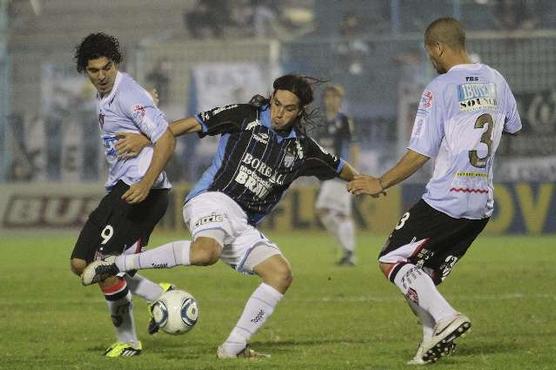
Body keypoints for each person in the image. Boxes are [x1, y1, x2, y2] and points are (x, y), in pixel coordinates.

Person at [81, 74, 359, 358]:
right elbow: (191, 123)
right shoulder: (244, 115)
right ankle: (118, 263)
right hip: (212, 199)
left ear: (299, 111)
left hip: (241, 223)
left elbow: (338, 165)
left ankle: (233, 347)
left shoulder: (302, 148)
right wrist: (145, 137)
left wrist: (363, 180)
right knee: (205, 253)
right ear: (272, 97)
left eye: (289, 108)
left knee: (280, 274)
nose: (279, 112)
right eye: (276, 103)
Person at [347, 17, 521, 365]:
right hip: (480, 204)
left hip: (447, 198)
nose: (431, 60)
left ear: (438, 48)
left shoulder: (439, 88)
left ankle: (447, 319)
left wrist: (379, 182)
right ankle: (430, 342)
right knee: (420, 275)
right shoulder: (496, 80)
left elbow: (419, 154)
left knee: (391, 258)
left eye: (430, 53)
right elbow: (514, 127)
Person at [70, 33, 176, 357]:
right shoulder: (112, 93)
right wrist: (146, 125)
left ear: (115, 64)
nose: (101, 76)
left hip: (144, 192)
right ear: (85, 70)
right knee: (80, 263)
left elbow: (168, 138)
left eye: (106, 68)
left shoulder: (127, 93)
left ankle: (129, 342)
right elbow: (149, 120)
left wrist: (145, 182)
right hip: (120, 187)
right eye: (93, 71)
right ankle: (160, 293)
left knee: (103, 267)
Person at [314, 85, 359, 266]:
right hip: (328, 175)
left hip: (342, 173)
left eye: (335, 97)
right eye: (328, 97)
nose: (331, 100)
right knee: (324, 211)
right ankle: (347, 249)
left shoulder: (345, 120)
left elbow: (354, 146)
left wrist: (354, 172)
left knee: (338, 213)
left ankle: (349, 253)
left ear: (340, 100)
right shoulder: (321, 123)